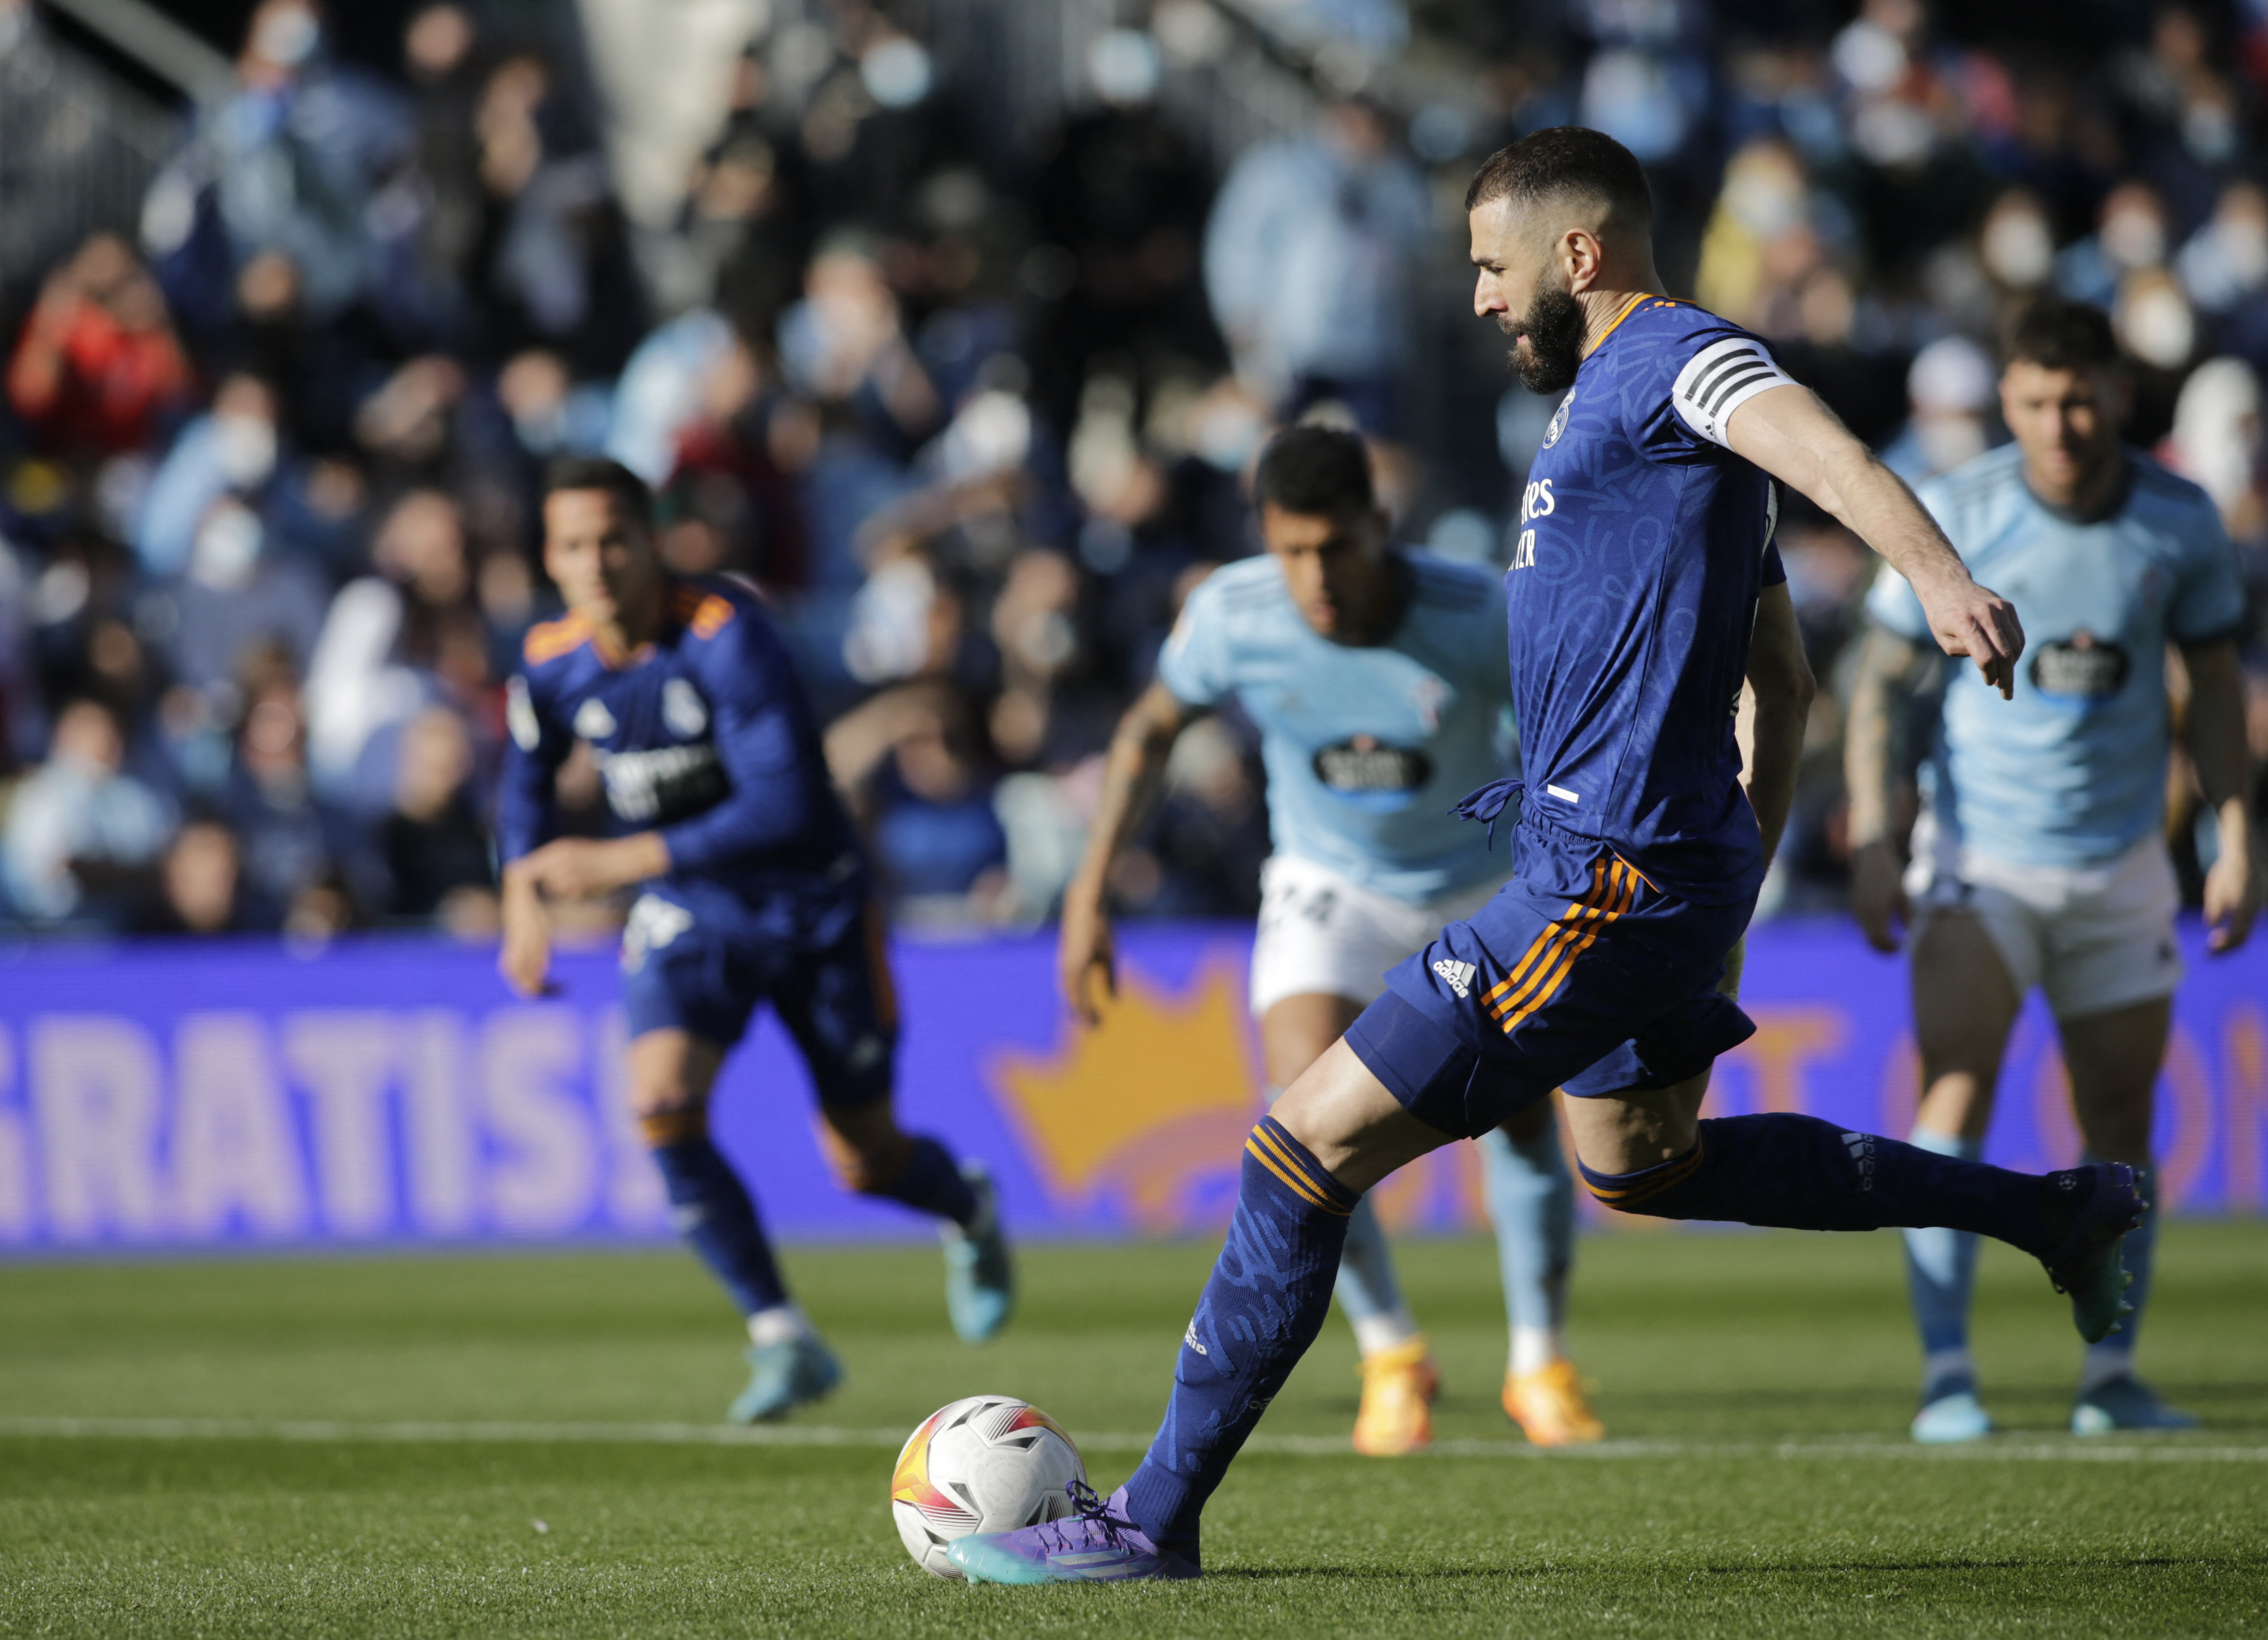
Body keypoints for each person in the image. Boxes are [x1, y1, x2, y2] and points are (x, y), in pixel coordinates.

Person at [946, 127, 2141, 1585]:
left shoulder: (1672, 365)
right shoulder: (1630, 451)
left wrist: (1938, 573)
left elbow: (1806, 431)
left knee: (1294, 1150)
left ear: (1577, 254)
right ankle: (2058, 1211)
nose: (1477, 300)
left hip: (1602, 876)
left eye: (1489, 267)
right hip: (1652, 872)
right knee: (1644, 1169)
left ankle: (1149, 1519)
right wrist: (1731, 890)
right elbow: (1784, 677)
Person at [1063, 423, 1661, 1454]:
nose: (1316, 575)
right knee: (1302, 1115)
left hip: (1481, 883)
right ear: (1264, 539)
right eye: (1292, 549)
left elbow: (1578, 738)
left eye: (1336, 545)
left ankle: (1539, 1363)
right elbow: (1151, 726)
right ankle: (1392, 1353)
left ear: (1380, 526)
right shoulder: (1233, 615)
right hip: (1329, 884)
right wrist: (1089, 890)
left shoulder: (1477, 611)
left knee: (1519, 1119)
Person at [494, 456, 1014, 1424]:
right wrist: (521, 895)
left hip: (812, 907)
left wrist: (616, 863)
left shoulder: (728, 636)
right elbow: (523, 786)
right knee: (658, 1101)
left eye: (614, 537)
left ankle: (966, 1207)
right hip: (694, 909)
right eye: (573, 545)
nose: (597, 562)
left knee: (862, 1159)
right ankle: (782, 1335)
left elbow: (780, 805)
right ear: (551, 560)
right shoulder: (551, 662)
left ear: (652, 540)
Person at [1846, 298, 2257, 1442]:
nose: (2060, 422)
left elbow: (2217, 688)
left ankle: (2110, 1374)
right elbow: (1879, 680)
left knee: (2119, 1114)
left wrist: (2236, 835)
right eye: (2035, 400)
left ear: (2119, 395)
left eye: (2079, 398)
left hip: (2124, 860)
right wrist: (1879, 835)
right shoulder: (1960, 513)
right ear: (2008, 399)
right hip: (1983, 859)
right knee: (1955, 1096)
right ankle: (1947, 1373)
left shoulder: (2181, 519)